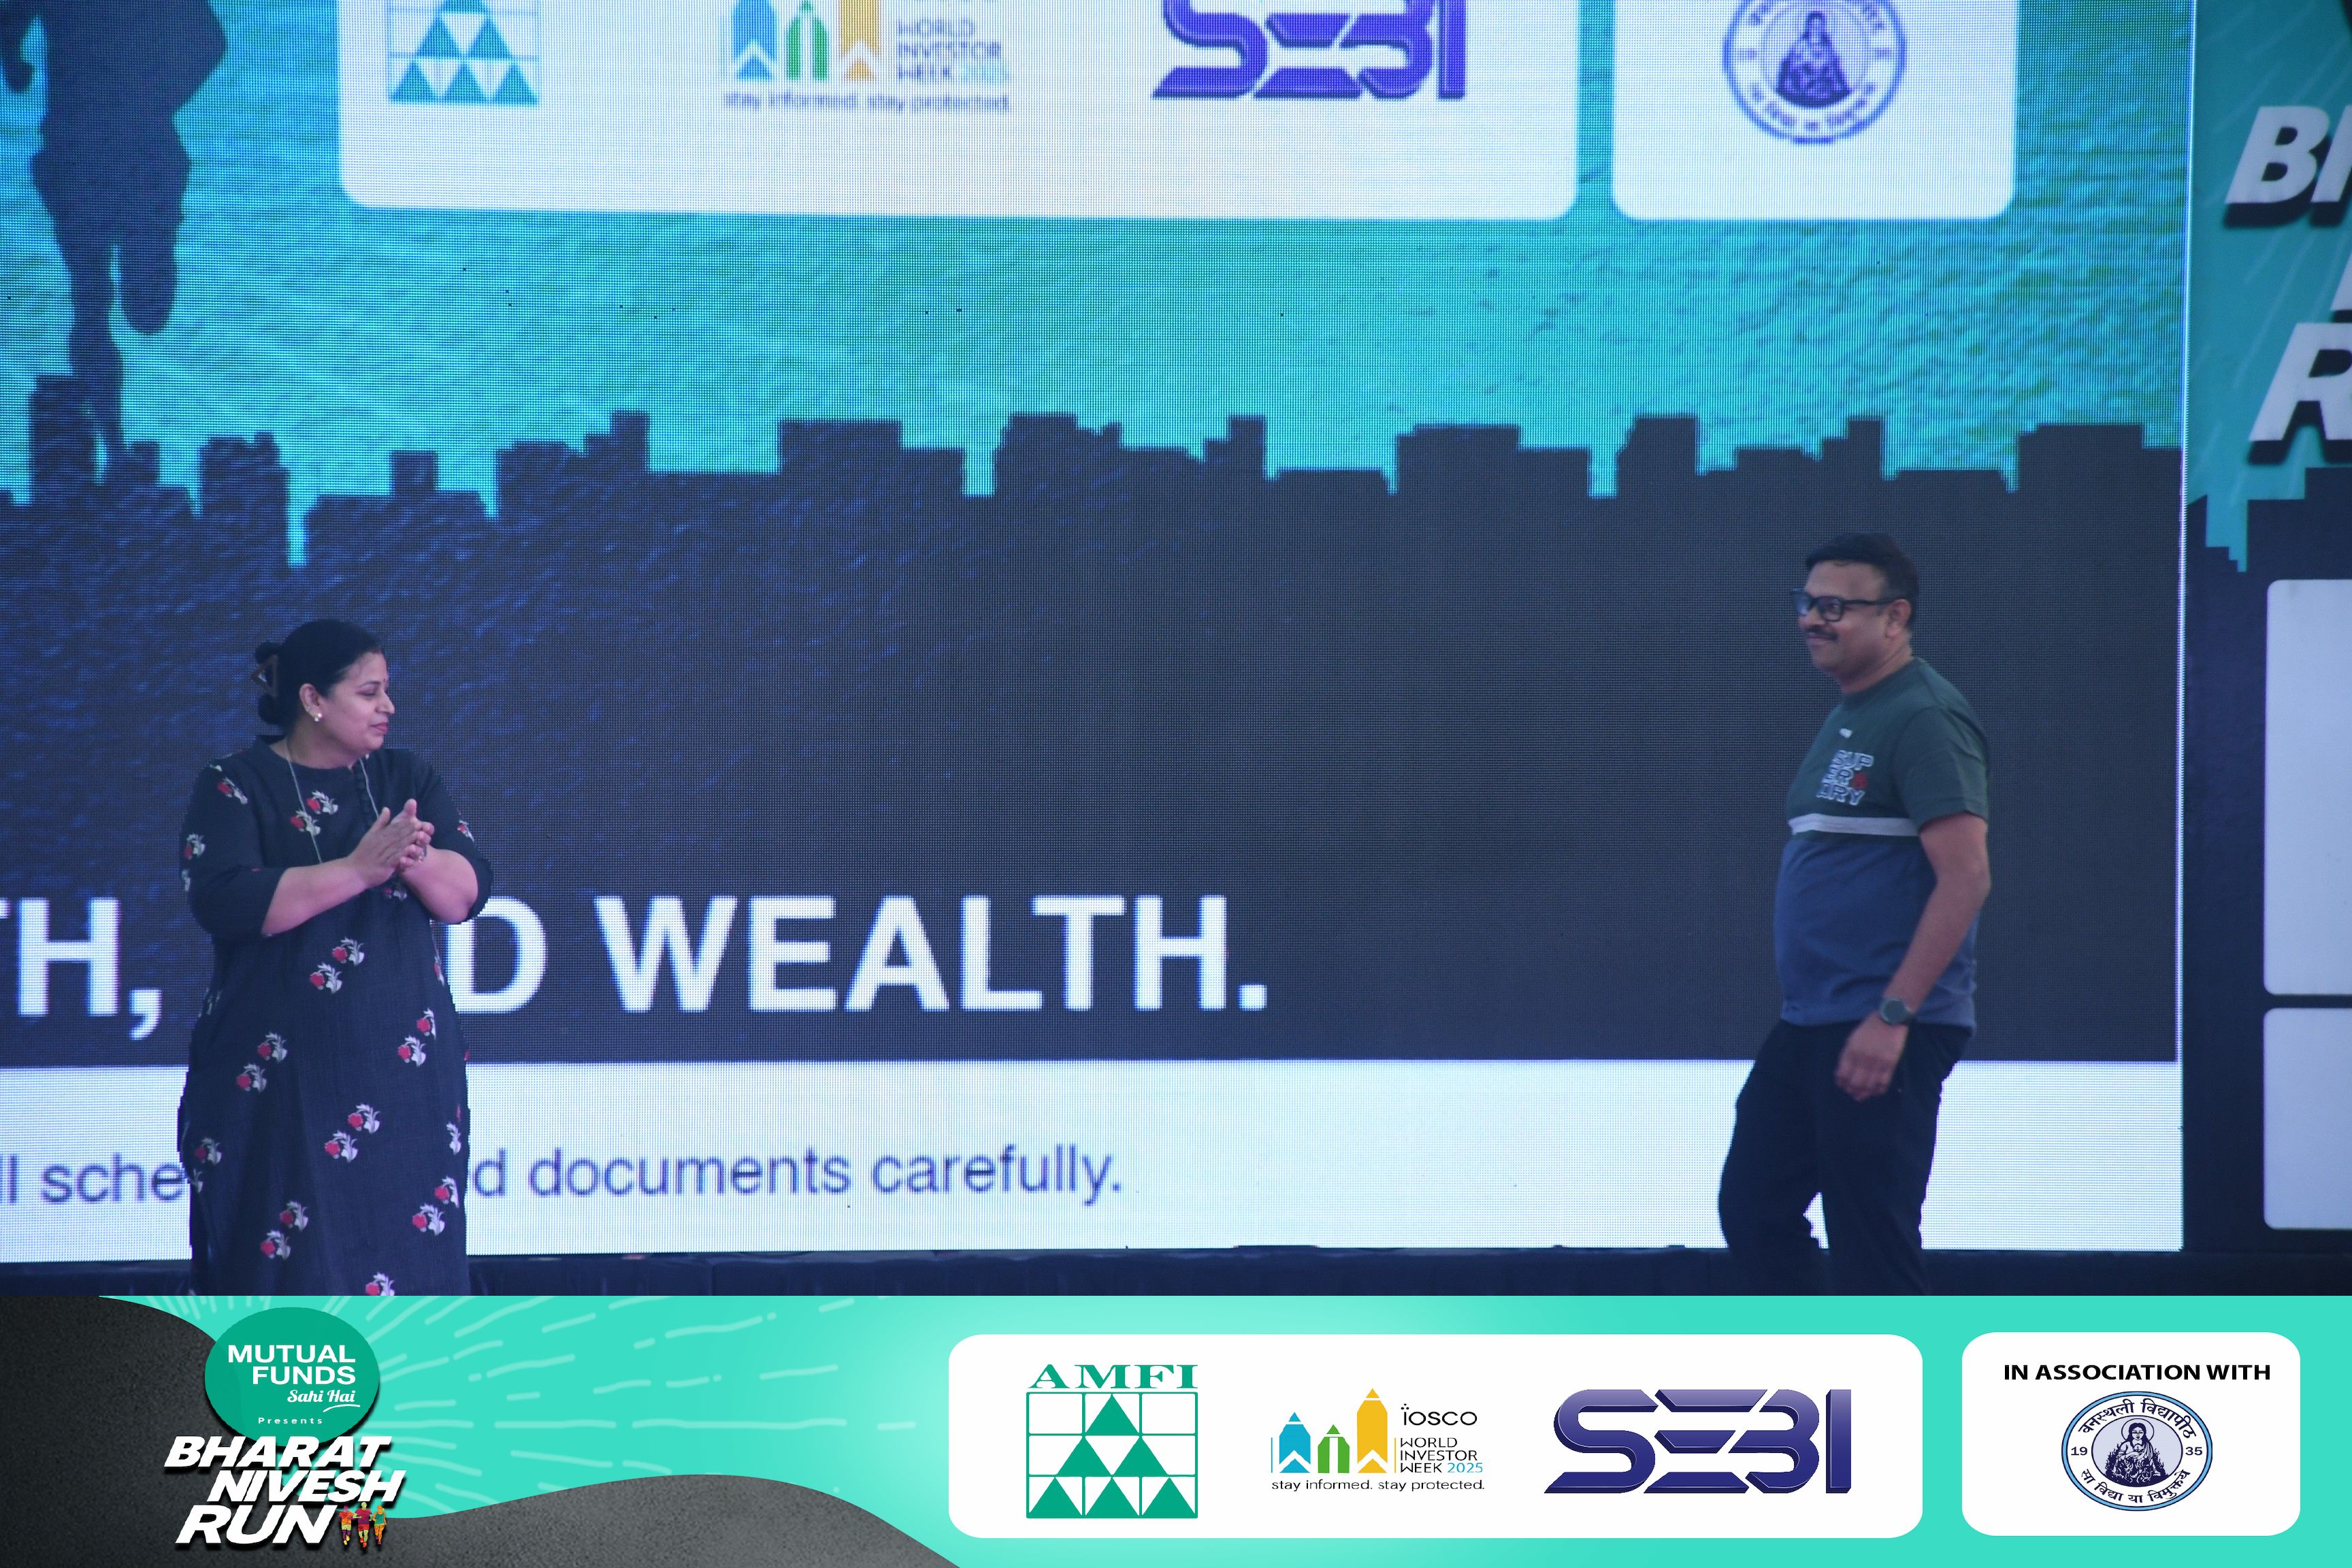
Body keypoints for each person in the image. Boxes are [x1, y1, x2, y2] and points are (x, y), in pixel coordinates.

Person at [178, 620, 491, 1295]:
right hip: (275, 1077)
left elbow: (465, 896)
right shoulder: (235, 784)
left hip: (402, 1077)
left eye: (387, 691)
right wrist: (357, 869)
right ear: (313, 699)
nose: (388, 707)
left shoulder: (405, 777)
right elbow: (227, 903)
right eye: (369, 692)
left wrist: (412, 857)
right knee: (282, 1269)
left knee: (412, 1259)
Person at [1717, 534, 1992, 1294]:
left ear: (1895, 617)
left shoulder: (1924, 717)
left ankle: (1892, 1367)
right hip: (1813, 1021)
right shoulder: (1858, 711)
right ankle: (1823, 1354)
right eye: (1807, 603)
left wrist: (1893, 1016)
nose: (1813, 619)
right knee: (1754, 1208)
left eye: (1835, 607)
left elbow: (1966, 878)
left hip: (1883, 1025)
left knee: (1872, 1239)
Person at [3, 0, 225, 470]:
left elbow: (208, 42)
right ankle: (113, 444)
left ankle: (114, 444)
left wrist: (152, 103)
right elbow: (208, 41)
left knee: (123, 307)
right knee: (97, 300)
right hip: (91, 153)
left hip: (107, 151)